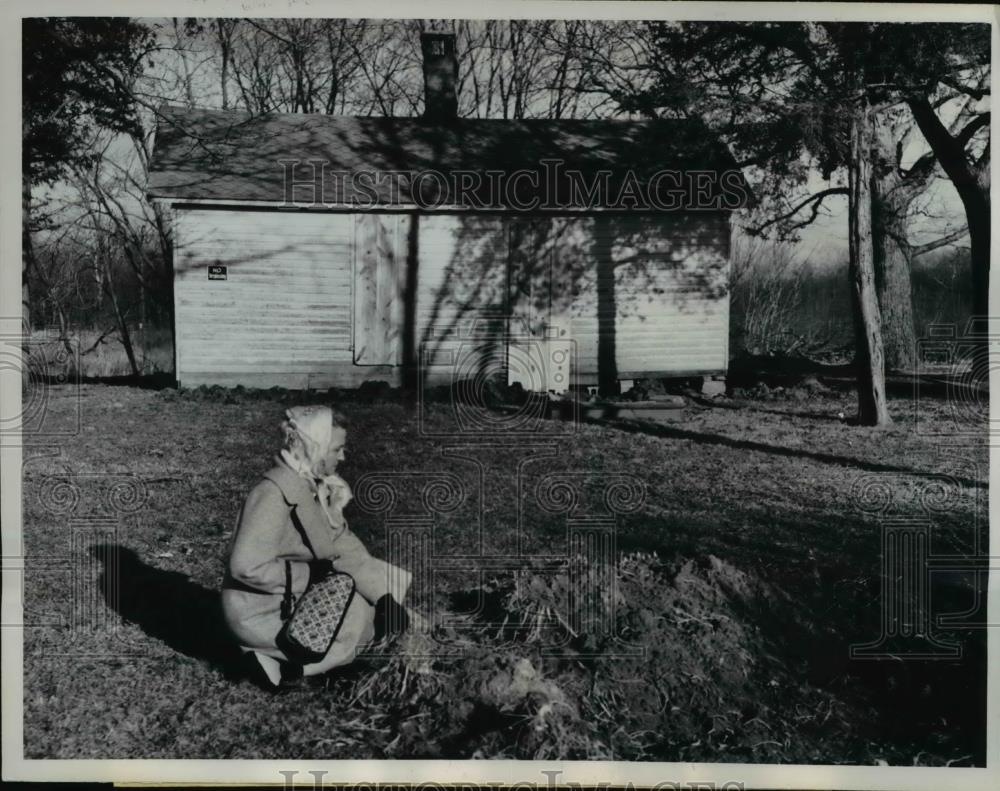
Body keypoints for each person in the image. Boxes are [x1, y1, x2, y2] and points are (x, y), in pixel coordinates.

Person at [222, 404, 411, 689]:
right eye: (337, 449)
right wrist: (310, 576)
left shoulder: (314, 487)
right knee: (358, 609)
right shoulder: (272, 494)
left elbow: (342, 546)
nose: (343, 456)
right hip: (261, 608)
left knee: (382, 583)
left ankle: (284, 660)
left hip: (290, 594)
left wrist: (384, 597)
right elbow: (246, 567)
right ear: (315, 447)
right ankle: (294, 670)